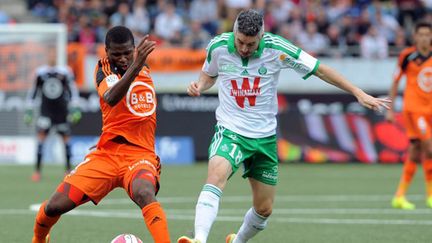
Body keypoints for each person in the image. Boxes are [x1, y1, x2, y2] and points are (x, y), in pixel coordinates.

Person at [177, 9, 391, 243]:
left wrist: (357, 93)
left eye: (251, 43)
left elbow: (320, 69)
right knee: (216, 176)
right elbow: (209, 75)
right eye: (240, 41)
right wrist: (199, 85)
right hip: (231, 130)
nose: (245, 48)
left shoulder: (277, 49)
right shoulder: (217, 47)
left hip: (265, 137)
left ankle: (237, 241)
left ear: (261, 36)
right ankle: (199, 239)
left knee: (264, 210)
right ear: (234, 32)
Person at [31, 26, 170, 243]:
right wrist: (136, 64)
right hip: (106, 155)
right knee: (54, 206)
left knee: (144, 193)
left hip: (140, 155)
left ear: (134, 49)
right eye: (116, 54)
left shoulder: (143, 65)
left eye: (127, 53)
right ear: (106, 51)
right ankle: (38, 240)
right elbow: (112, 98)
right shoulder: (103, 69)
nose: (123, 59)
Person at [386, 21, 432, 210]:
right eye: (420, 34)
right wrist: (390, 109)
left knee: (415, 152)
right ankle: (430, 195)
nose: (424, 38)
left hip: (430, 110)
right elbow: (395, 81)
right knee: (429, 147)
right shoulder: (407, 56)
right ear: (415, 37)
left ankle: (400, 196)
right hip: (413, 110)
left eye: (427, 34)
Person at [25, 50, 81, 182]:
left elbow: (72, 90)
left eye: (54, 55)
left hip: (61, 112)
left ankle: (68, 170)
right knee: (41, 140)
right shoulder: (40, 73)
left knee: (66, 140)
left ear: (57, 57)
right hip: (46, 112)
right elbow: (34, 91)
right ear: (47, 57)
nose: (52, 57)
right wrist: (29, 110)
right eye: (50, 55)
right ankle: (37, 171)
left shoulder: (65, 72)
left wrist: (75, 108)